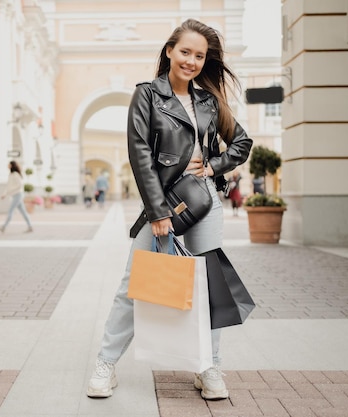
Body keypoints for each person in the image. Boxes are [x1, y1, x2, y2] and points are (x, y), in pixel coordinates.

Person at [86, 19, 252, 401]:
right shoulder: (147, 95)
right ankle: (105, 364)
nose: (191, 61)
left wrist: (213, 166)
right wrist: (158, 212)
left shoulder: (209, 101)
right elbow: (140, 156)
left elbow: (241, 142)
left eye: (199, 55)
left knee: (209, 286)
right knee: (134, 284)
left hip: (205, 201)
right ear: (169, 51)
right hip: (163, 204)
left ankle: (209, 367)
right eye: (185, 52)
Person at [0, 160, 33, 233]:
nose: (7, 165)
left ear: (12, 165)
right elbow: (8, 186)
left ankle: (4, 227)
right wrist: (4, 194)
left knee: (11, 210)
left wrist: (9, 191)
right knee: (23, 212)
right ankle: (30, 226)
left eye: (9, 164)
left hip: (18, 195)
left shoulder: (16, 174)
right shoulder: (11, 175)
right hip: (15, 195)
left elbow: (20, 185)